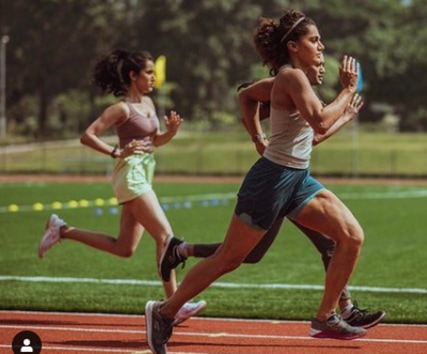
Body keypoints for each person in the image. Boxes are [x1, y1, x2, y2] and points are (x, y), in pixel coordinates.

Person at [145, 10, 374, 353]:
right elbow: (322, 123)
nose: (321, 46)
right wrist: (347, 91)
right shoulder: (292, 78)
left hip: (298, 179)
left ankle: (327, 315)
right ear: (294, 46)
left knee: (351, 236)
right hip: (271, 180)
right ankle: (164, 312)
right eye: (314, 40)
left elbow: (247, 97)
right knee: (229, 259)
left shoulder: (293, 81)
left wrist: (256, 136)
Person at [37, 49, 206, 326]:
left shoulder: (149, 104)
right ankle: (174, 304)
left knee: (125, 247)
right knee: (166, 238)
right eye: (148, 73)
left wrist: (170, 134)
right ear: (133, 75)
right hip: (130, 176)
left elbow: (153, 142)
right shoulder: (121, 109)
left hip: (143, 174)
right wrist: (117, 152)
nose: (153, 78)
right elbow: (87, 136)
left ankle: (61, 230)